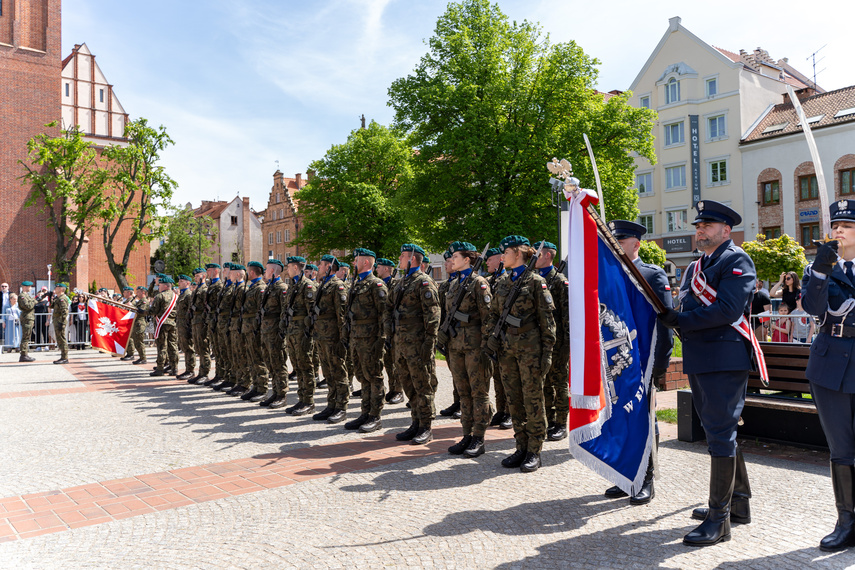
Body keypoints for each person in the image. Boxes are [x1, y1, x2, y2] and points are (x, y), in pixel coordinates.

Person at [657, 200, 756, 547]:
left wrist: (681, 320)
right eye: (699, 226)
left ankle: (719, 520)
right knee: (721, 430)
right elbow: (690, 303)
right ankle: (737, 505)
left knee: (719, 434)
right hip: (703, 356)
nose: (700, 231)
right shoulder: (698, 265)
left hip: (725, 358)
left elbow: (728, 309)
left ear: (726, 231)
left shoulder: (736, 260)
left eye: (708, 226)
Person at [602, 221, 674, 506]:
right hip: (616, 363)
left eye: (620, 241)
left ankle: (647, 478)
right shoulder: (609, 277)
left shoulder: (651, 275)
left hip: (643, 361)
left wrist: (660, 365)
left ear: (636, 244)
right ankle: (626, 475)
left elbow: (665, 324)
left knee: (644, 418)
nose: (615, 246)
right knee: (619, 417)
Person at [800, 199, 855, 551]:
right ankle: (846, 520)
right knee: (841, 448)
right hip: (830, 361)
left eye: (847, 226)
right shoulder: (819, 267)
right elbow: (812, 308)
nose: (839, 231)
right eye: (836, 225)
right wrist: (820, 271)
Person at [485, 235, 556, 472]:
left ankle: (534, 450)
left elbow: (548, 323)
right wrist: (491, 337)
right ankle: (521, 446)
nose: (502, 257)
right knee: (514, 400)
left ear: (518, 253)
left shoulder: (536, 282)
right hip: (507, 350)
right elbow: (494, 312)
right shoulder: (504, 282)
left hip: (530, 351)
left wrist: (547, 354)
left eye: (505, 253)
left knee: (533, 399)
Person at [438, 241, 493, 458]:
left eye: (455, 257)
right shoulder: (454, 284)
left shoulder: (479, 283)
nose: (451, 261)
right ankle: (466, 434)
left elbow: (488, 317)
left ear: (467, 260)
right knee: (463, 392)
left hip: (475, 346)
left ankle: (479, 437)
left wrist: (486, 347)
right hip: (455, 345)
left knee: (478, 392)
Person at [386, 243, 441, 445]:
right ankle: (416, 421)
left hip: (418, 343)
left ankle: (426, 425)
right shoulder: (401, 283)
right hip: (401, 343)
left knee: (422, 385)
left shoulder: (424, 283)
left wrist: (429, 343)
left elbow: (433, 316)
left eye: (402, 256)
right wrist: (389, 333)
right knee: (408, 384)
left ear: (412, 259)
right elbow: (389, 309)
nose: (399, 259)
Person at [342, 248, 388, 433]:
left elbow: (384, 315)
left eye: (356, 260)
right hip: (357, 337)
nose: (354, 263)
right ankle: (365, 412)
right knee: (362, 376)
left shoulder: (376, 285)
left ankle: (375, 416)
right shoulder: (356, 284)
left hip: (371, 339)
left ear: (366, 263)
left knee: (374, 376)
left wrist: (381, 340)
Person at [534, 241, 570, 442]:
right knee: (544, 383)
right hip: (539, 341)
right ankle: (548, 418)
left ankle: (561, 422)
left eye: (538, 254)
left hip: (558, 342)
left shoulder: (559, 281)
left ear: (548, 256)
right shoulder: (535, 279)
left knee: (559, 382)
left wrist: (565, 345)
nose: (534, 258)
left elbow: (566, 315)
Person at [309, 255, 349, 423]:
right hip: (322, 336)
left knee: (338, 371)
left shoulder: (337, 286)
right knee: (328, 372)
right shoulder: (323, 285)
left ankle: (341, 406)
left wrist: (343, 339)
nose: (318, 267)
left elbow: (342, 315)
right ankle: (331, 404)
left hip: (333, 337)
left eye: (321, 265)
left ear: (329, 267)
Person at [280, 256, 316, 415]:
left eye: (288, 267)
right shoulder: (293, 286)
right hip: (292, 331)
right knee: (297, 366)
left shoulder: (307, 286)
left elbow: (312, 313)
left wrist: (309, 333)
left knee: (305, 366)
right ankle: (301, 399)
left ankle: (308, 401)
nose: (286, 270)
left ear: (295, 268)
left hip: (302, 332)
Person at [484, 247, 511, 430]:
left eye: (490, 259)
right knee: (498, 376)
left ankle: (509, 412)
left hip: (508, 336)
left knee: (508, 377)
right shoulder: (489, 281)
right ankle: (500, 410)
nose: (487, 262)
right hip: (494, 334)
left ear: (500, 260)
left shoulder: (506, 281)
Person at [258, 259, 289, 409]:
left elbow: (284, 312)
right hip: (266, 330)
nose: (264, 273)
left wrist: (281, 332)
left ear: (272, 271)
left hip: (275, 331)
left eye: (266, 270)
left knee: (278, 363)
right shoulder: (270, 287)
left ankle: (282, 394)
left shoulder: (281, 288)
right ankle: (275, 392)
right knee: (270, 363)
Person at [239, 261, 270, 401]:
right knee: (252, 358)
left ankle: (262, 388)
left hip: (255, 328)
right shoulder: (252, 287)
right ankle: (255, 386)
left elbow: (261, 310)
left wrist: (258, 328)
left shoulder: (260, 288)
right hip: (248, 327)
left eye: (247, 271)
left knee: (258, 358)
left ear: (251, 272)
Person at [375, 257, 404, 404]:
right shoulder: (377, 284)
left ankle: (398, 390)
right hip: (380, 327)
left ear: (386, 268)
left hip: (392, 328)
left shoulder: (395, 285)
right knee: (386, 360)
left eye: (379, 267)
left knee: (395, 361)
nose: (376, 269)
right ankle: (392, 388)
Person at [438, 248, 462, 419]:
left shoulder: (469, 282)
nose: (447, 264)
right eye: (447, 261)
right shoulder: (447, 285)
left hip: (463, 335)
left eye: (450, 260)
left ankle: (463, 404)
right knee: (455, 371)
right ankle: (457, 401)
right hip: (448, 333)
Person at [212, 263, 238, 392]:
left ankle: (233, 379)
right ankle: (225, 377)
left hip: (229, 323)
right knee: (222, 351)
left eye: (227, 270)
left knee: (230, 353)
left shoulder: (234, 287)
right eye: (224, 270)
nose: (224, 272)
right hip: (221, 323)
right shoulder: (225, 287)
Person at [227, 265, 250, 396]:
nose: (229, 275)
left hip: (240, 325)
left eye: (231, 273)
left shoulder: (243, 289)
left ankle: (245, 383)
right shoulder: (236, 288)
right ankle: (239, 381)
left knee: (242, 354)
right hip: (234, 325)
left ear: (237, 275)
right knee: (236, 354)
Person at [189, 268, 212, 383]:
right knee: (198, 347)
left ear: (203, 276)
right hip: (195, 321)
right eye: (195, 276)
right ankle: (200, 372)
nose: (195, 278)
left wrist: (205, 322)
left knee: (204, 347)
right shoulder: (196, 290)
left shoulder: (204, 290)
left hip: (201, 321)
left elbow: (206, 307)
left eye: (197, 276)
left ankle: (205, 373)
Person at [203, 264, 223, 384]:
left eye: (209, 270)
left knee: (219, 350)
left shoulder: (219, 286)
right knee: (215, 349)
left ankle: (221, 376)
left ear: (216, 271)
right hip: (211, 320)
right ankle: (218, 375)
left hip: (216, 320)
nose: (207, 272)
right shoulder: (211, 285)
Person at [51, 283, 70, 364]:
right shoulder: (58, 298)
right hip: (56, 320)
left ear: (61, 289)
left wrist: (62, 322)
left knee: (62, 339)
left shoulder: (62, 298)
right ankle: (62, 356)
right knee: (59, 339)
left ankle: (65, 357)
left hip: (60, 321)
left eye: (57, 287)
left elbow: (64, 312)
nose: (55, 288)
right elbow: (51, 306)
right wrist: (51, 298)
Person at [129, 286, 149, 365]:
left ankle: (143, 358)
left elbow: (141, 311)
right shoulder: (139, 301)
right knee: (136, 341)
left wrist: (131, 306)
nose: (136, 293)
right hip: (136, 323)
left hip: (140, 323)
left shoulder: (144, 301)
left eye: (138, 292)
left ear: (143, 292)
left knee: (139, 341)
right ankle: (141, 357)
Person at [17, 281, 36, 362]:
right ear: (25, 287)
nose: (30, 288)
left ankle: (25, 354)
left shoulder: (26, 295)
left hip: (29, 318)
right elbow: (28, 306)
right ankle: (23, 355)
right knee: (26, 337)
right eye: (29, 286)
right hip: (26, 318)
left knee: (27, 337)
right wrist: (35, 301)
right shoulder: (22, 296)